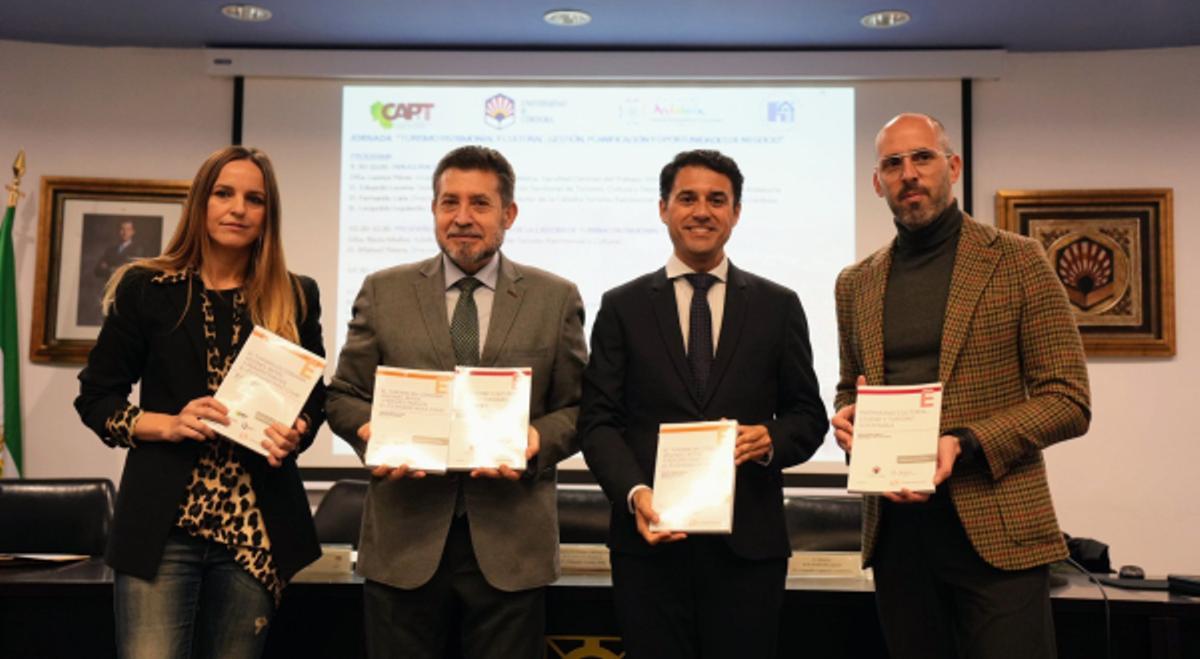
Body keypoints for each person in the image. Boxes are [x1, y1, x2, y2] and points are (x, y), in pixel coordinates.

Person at [832, 113, 1091, 659]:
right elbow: (847, 387)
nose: (909, 174)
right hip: (897, 536)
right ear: (877, 182)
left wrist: (964, 442)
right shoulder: (856, 282)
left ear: (952, 166)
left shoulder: (1020, 260)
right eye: (892, 163)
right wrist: (849, 418)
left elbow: (1069, 398)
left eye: (922, 158)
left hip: (998, 530)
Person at [326, 145, 587, 659]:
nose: (462, 218)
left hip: (510, 547)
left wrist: (537, 439)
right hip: (404, 543)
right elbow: (344, 396)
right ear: (433, 209)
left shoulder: (554, 298)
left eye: (480, 204)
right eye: (449, 203)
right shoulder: (384, 292)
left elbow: (581, 408)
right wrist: (370, 432)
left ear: (508, 214)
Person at [75, 146, 326, 659]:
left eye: (254, 199)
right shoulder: (146, 288)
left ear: (268, 214)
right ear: (200, 203)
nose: (238, 208)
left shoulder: (296, 294)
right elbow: (96, 398)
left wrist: (297, 430)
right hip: (161, 528)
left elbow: (314, 400)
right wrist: (164, 424)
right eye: (224, 193)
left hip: (255, 532)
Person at [579, 149, 828, 659]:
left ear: (736, 213)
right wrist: (635, 494)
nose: (702, 211)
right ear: (663, 208)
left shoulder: (777, 306)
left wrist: (770, 440)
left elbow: (809, 416)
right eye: (687, 198)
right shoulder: (621, 306)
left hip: (748, 550)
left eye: (718, 200)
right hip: (649, 544)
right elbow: (599, 422)